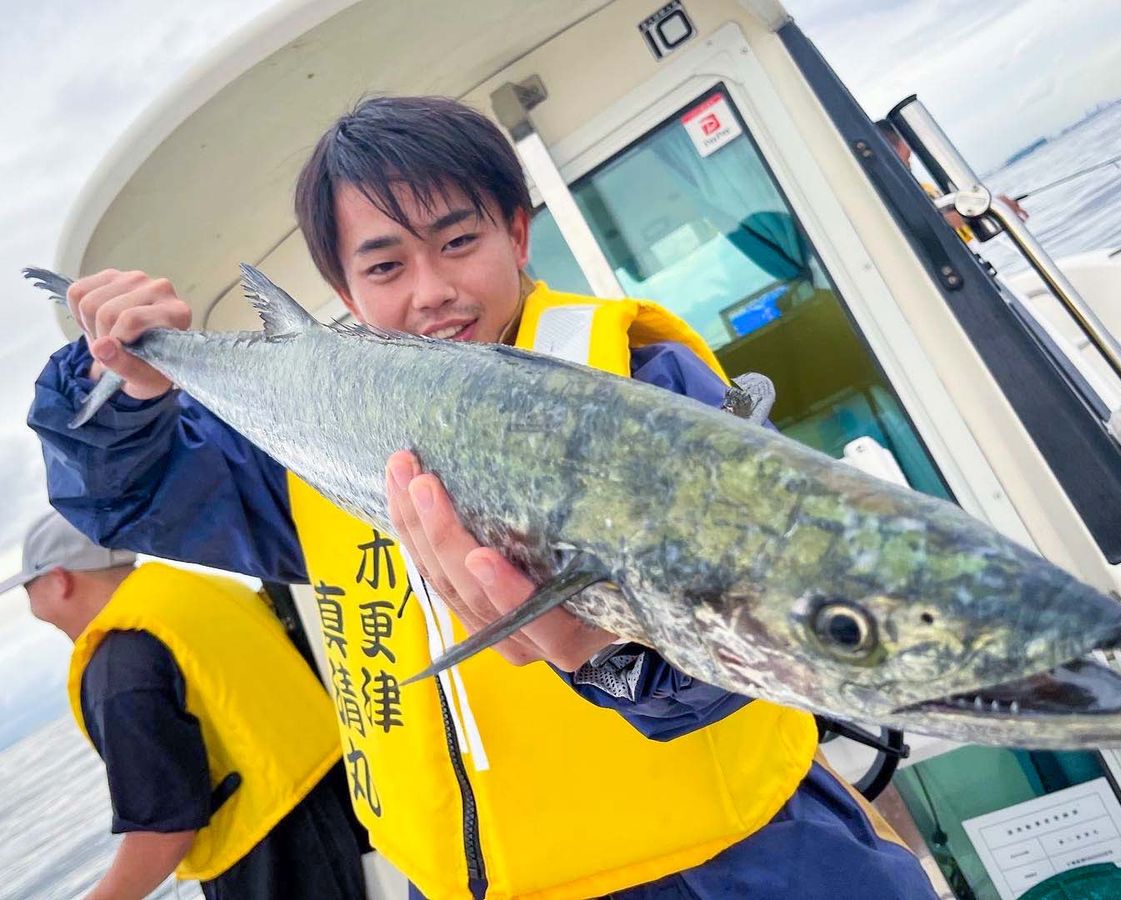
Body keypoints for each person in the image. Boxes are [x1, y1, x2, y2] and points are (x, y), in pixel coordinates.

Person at [30, 96, 936, 899]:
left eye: (458, 242)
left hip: (740, 868)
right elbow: (127, 500)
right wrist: (119, 382)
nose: (434, 292)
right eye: (384, 269)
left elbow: (768, 634)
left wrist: (612, 660)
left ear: (516, 232)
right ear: (343, 290)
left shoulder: (642, 384)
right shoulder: (308, 443)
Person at [3, 510, 367, 900]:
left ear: (60, 581)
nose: (30, 604)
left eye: (29, 587)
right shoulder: (192, 591)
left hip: (282, 861)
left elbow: (163, 832)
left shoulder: (118, 663)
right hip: (354, 804)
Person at [875, 118, 1028, 241]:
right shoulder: (886, 196)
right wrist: (988, 208)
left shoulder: (922, 189)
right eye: (907, 155)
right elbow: (926, 226)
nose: (910, 161)